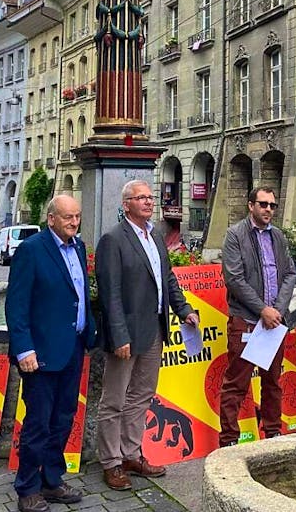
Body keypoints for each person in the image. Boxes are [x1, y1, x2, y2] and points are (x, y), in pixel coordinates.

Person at [95, 179, 200, 490]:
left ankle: (131, 453)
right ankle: (111, 462)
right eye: (140, 198)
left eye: (150, 197)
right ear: (126, 204)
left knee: (141, 396)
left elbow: (166, 278)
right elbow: (109, 293)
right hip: (127, 333)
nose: (148, 202)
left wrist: (183, 310)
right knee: (114, 400)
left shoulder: (154, 234)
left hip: (155, 328)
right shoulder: (113, 239)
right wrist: (119, 336)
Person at [6, 195, 97, 512]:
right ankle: (28, 487)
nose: (74, 222)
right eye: (68, 217)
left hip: (72, 347)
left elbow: (79, 292)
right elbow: (16, 306)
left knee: (63, 419)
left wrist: (90, 331)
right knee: (38, 423)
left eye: (78, 216)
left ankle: (52, 480)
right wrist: (24, 349)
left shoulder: (79, 247)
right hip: (41, 353)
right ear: (52, 219)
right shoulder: (32, 250)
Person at [219, 187, 296, 447]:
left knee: (273, 381)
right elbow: (234, 279)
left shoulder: (278, 237)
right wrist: (262, 310)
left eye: (273, 206)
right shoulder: (235, 235)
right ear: (250, 205)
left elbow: (289, 274)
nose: (268, 210)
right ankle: (229, 439)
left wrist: (278, 310)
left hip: (274, 321)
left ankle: (273, 434)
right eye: (263, 204)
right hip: (247, 320)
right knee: (236, 383)